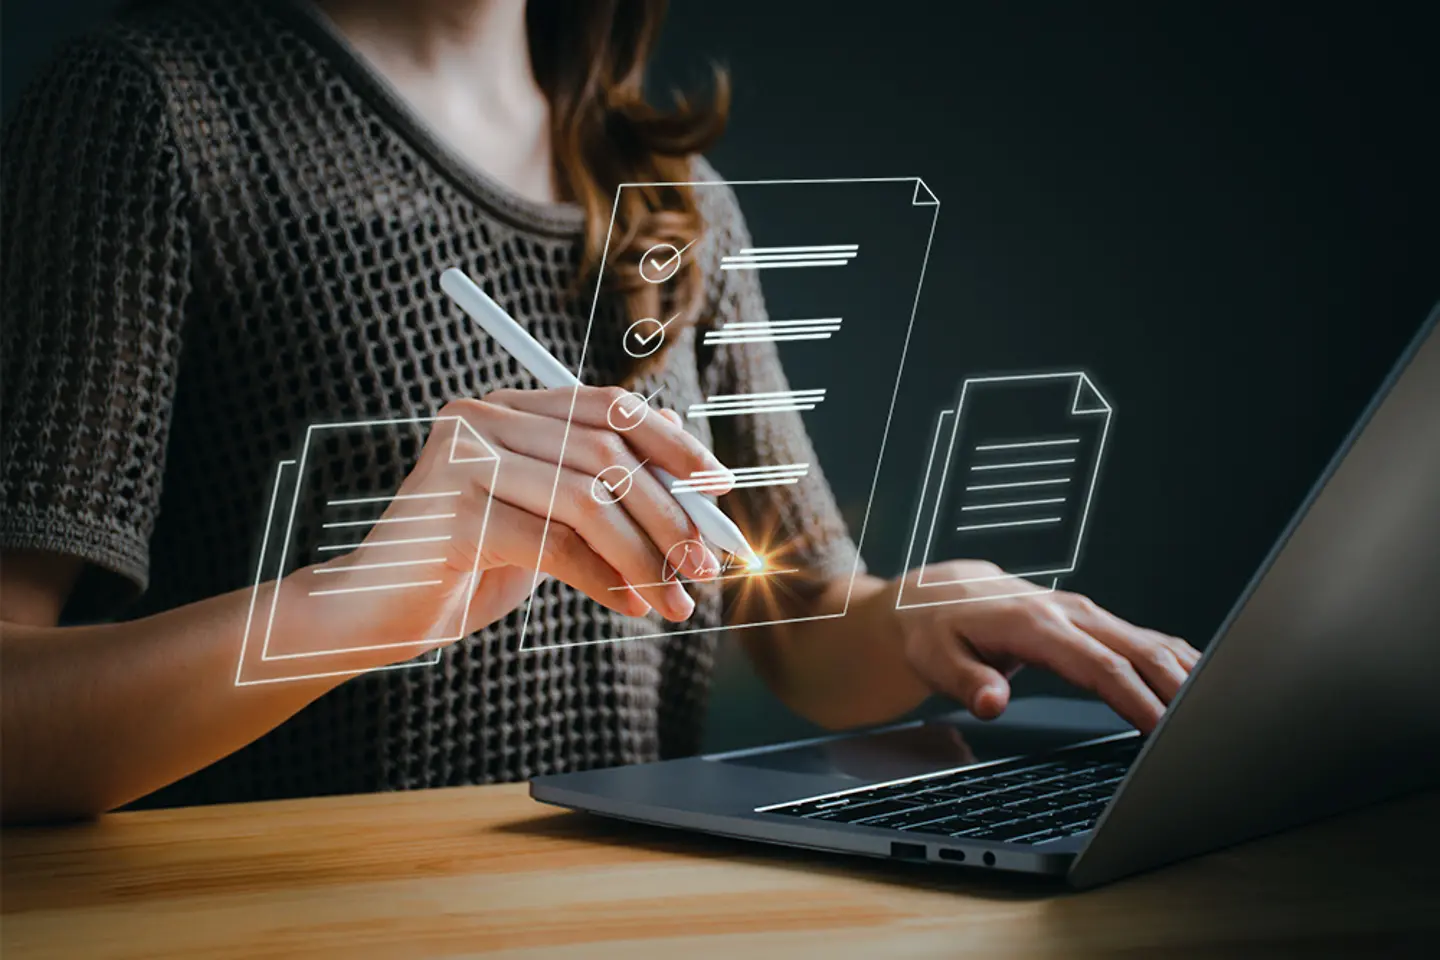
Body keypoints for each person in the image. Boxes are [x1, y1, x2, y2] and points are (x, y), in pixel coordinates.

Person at [0, 0, 1199, 824]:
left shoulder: (678, 196)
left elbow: (799, 619)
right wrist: (361, 602)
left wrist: (915, 614)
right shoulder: (150, 112)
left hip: (615, 919)